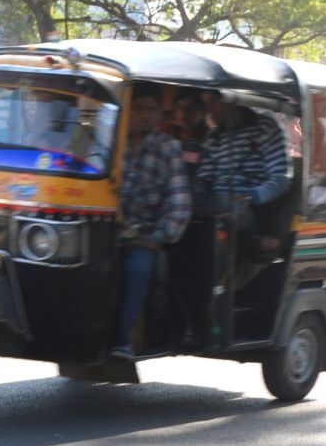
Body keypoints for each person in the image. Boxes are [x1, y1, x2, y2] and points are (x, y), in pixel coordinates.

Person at [111, 85, 192, 360]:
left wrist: (157, 238)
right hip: (105, 231)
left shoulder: (167, 148)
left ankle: (124, 341)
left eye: (151, 110)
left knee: (138, 270)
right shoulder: (111, 141)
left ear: (158, 114)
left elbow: (180, 203)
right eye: (140, 109)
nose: (145, 116)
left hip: (144, 236)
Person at [196, 91, 291, 245]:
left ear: (230, 99)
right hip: (215, 206)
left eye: (213, 102)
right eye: (206, 104)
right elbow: (204, 181)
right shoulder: (213, 138)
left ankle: (253, 242)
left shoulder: (264, 127)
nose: (209, 109)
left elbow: (281, 179)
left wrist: (252, 196)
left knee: (230, 208)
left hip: (251, 210)